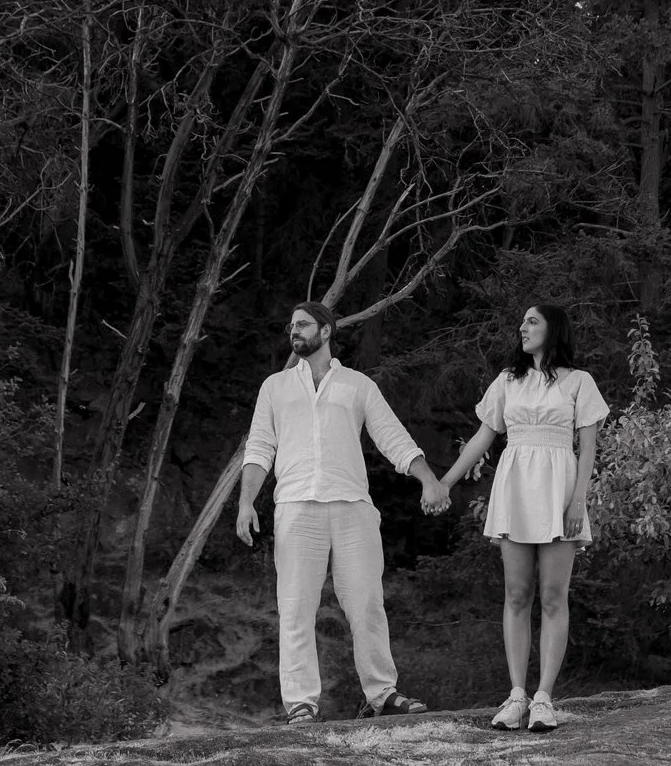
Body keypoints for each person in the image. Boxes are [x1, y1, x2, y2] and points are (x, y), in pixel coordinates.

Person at [235, 300, 451, 724]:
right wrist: (246, 503)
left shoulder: (357, 385)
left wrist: (428, 478)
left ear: (326, 331)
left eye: (302, 324)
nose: (293, 331)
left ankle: (381, 694)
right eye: (290, 325)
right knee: (296, 607)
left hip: (352, 506)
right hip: (296, 506)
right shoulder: (275, 387)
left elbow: (393, 436)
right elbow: (259, 447)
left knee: (367, 604)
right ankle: (300, 703)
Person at [438, 303, 608, 733]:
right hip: (515, 489)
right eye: (523, 321)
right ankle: (516, 695)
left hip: (559, 491)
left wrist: (577, 502)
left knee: (553, 597)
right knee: (516, 594)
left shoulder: (580, 382)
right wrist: (444, 483)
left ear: (554, 330)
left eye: (533, 321)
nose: (523, 327)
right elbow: (483, 436)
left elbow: (587, 449)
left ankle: (544, 699)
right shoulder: (507, 380)